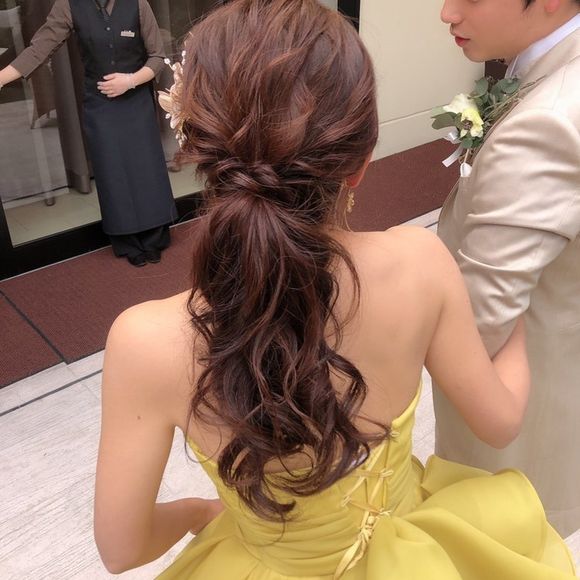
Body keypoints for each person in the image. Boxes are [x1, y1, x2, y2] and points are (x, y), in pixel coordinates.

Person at [94, 1, 575, 577]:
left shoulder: (144, 341)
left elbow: (121, 548)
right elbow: (500, 421)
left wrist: (199, 511)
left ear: (198, 148)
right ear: (362, 159)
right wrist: (518, 302)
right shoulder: (420, 264)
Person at [434, 0, 580, 536]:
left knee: (495, 543)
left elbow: (482, 321)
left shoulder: (550, 118)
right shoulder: (548, 63)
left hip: (518, 405)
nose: (447, 13)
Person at [0, 0, 178, 267]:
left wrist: (130, 81)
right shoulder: (68, 5)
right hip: (100, 104)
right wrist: (1, 78)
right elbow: (39, 49)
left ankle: (155, 237)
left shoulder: (138, 3)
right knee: (113, 171)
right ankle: (127, 241)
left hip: (136, 100)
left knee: (146, 168)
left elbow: (157, 57)